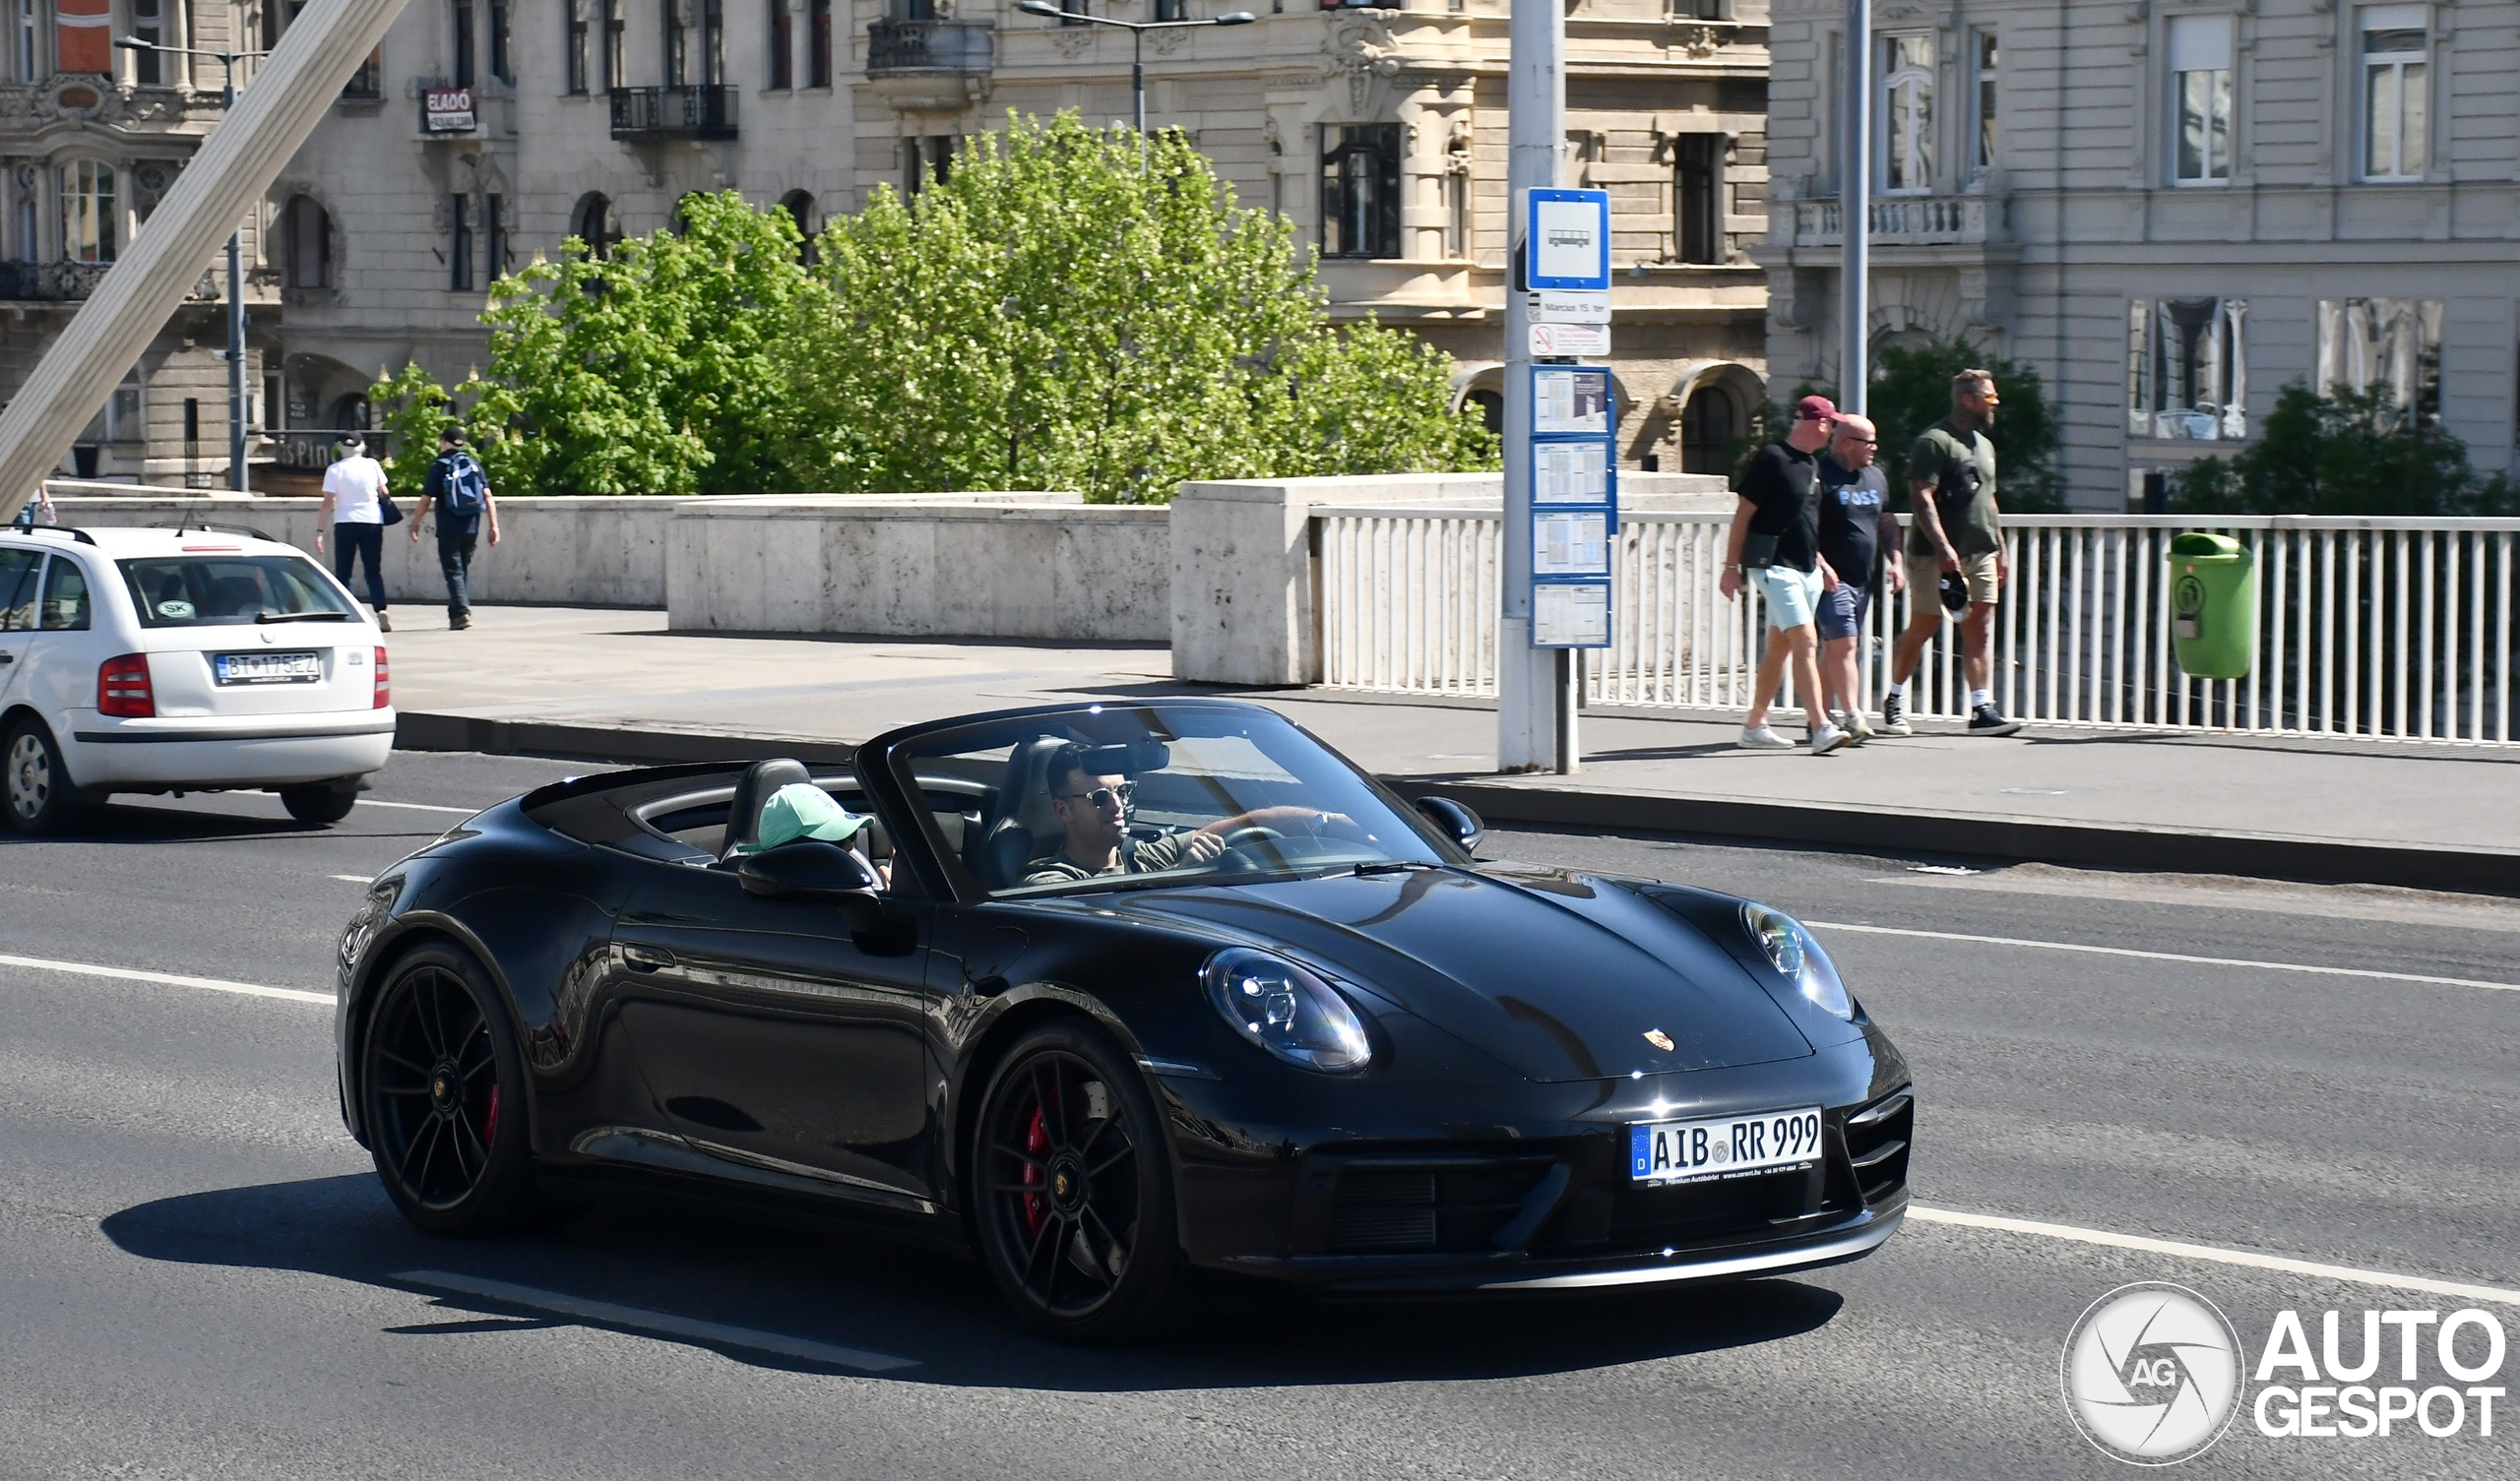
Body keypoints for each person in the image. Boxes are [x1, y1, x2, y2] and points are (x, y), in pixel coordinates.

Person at [1881, 370, 2022, 737]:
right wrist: (1943, 547)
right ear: (1968, 400)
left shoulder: (1984, 445)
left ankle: (1981, 709)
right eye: (1989, 398)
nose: (1995, 404)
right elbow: (1920, 495)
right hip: (1935, 555)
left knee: (1981, 627)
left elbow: (1988, 499)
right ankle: (1894, 699)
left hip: (1981, 551)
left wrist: (2002, 548)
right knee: (1923, 627)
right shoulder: (1934, 441)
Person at [1021, 743, 1358, 886]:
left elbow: (1251, 823)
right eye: (1099, 798)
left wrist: (1330, 823)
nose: (1117, 805)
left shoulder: (1146, 856)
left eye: (1122, 792)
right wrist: (1180, 874)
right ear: (1063, 811)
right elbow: (1100, 922)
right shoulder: (1049, 882)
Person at [1721, 395, 1853, 755]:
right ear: (1819, 423)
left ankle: (1754, 727)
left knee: (1778, 649)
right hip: (1774, 566)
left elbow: (1803, 523)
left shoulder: (1811, 465)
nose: (1832, 430)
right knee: (1807, 641)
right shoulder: (1772, 459)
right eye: (1831, 423)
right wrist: (1731, 569)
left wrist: (1822, 563)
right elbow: (1743, 515)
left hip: (1806, 567)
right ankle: (1821, 726)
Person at [1813, 412, 1902, 742]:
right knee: (1845, 643)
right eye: (1869, 442)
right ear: (1847, 443)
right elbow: (1803, 527)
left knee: (1835, 649)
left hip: (1863, 579)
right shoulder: (1820, 475)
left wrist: (1896, 561)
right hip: (1830, 578)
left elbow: (1887, 521)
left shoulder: (1875, 476)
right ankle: (1853, 715)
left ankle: (1818, 717)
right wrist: (1821, 564)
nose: (1875, 448)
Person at [410, 428, 500, 630]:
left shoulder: (439, 466)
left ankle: (461, 612)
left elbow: (426, 500)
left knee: (453, 571)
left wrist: (415, 522)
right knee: (461, 571)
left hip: (448, 526)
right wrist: (494, 525)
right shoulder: (473, 465)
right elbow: (488, 496)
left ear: (444, 442)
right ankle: (455, 615)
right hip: (471, 526)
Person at [314, 434, 392, 631]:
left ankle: (348, 612)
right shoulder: (372, 465)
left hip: (345, 522)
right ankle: (380, 608)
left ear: (340, 447)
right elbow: (384, 492)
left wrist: (320, 530)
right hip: (372, 520)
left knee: (344, 571)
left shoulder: (334, 470)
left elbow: (327, 503)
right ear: (362, 446)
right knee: (373, 570)